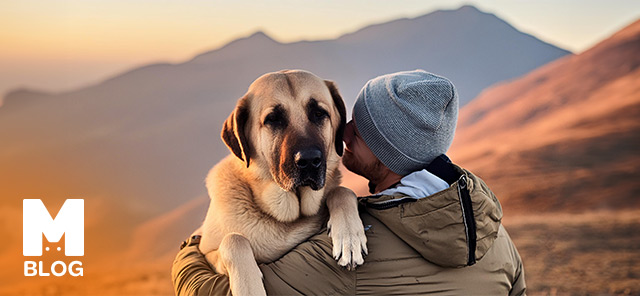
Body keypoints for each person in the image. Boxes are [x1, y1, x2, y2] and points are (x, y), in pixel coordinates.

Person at [172, 70, 526, 295]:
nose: (344, 134)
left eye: (362, 129)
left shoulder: (351, 252)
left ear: (388, 151)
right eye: (275, 121)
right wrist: (341, 199)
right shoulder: (494, 232)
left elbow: (210, 291)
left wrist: (192, 248)